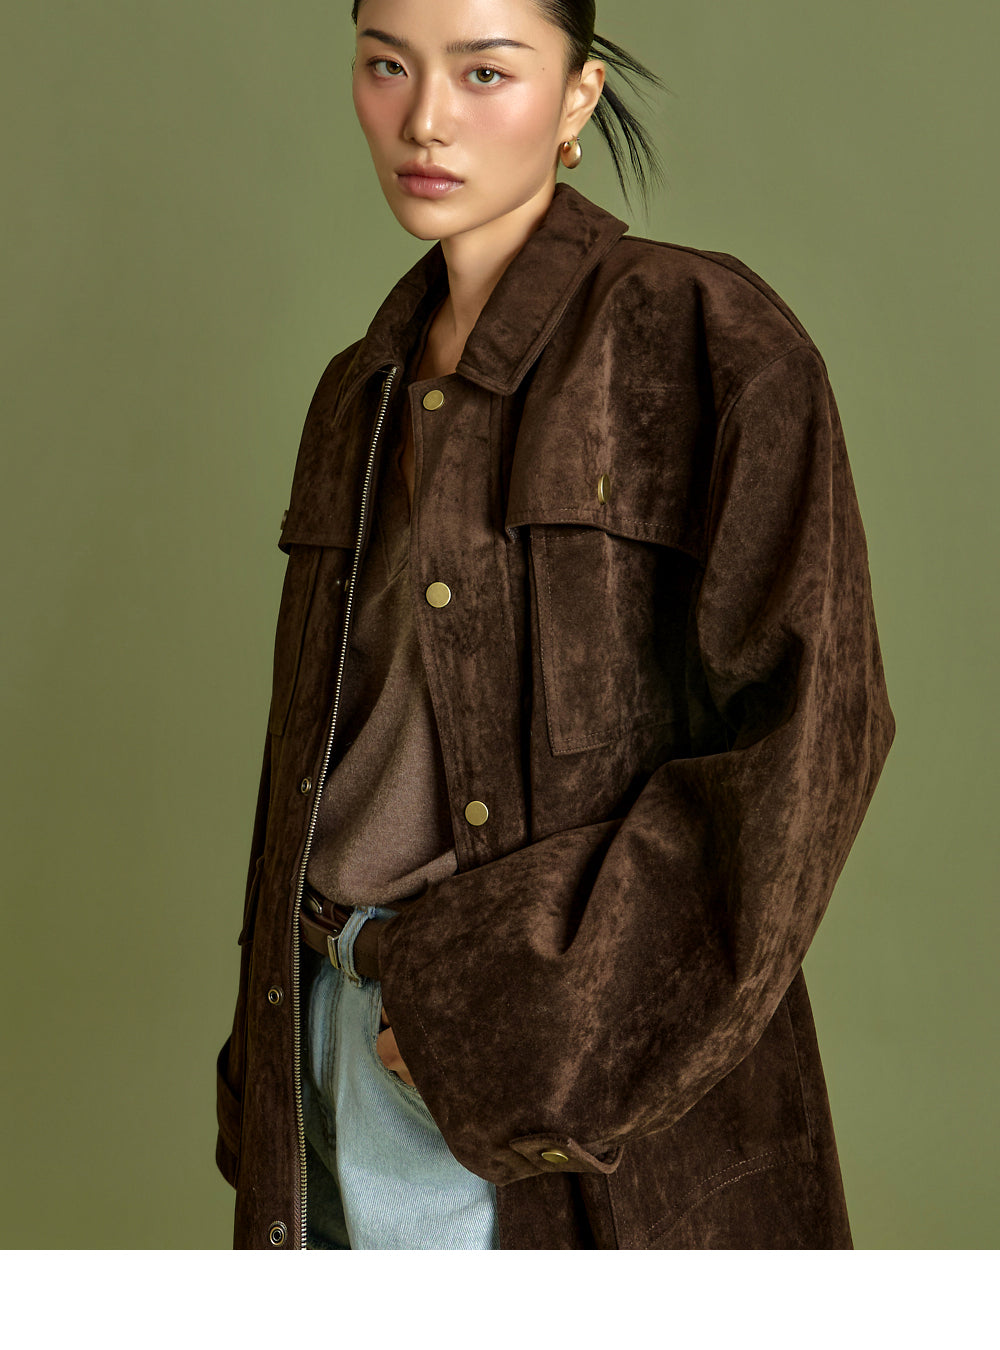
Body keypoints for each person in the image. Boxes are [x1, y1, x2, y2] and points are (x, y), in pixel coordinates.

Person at [215, 0, 895, 1250]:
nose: (425, 119)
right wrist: (263, 1069)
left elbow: (809, 745)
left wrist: (539, 1027)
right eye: (386, 65)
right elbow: (311, 762)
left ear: (577, 95)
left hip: (509, 1077)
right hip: (319, 1036)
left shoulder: (703, 337)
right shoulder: (356, 394)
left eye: (485, 72)